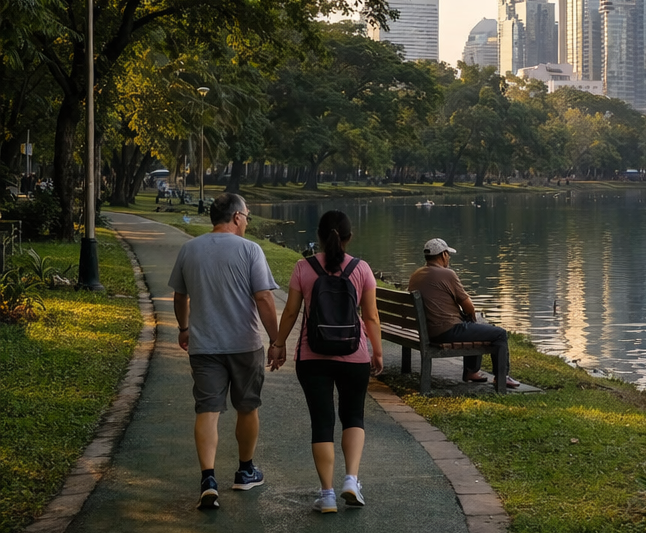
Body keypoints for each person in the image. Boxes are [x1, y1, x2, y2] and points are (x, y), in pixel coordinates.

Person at [168, 192, 280, 509]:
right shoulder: (250, 250)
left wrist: (184, 328)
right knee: (248, 407)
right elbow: (264, 299)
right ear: (236, 217)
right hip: (245, 345)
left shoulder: (189, 249)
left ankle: (208, 478)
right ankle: (245, 471)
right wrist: (276, 340)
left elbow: (180, 297)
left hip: (204, 346)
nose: (247, 220)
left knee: (207, 410)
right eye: (246, 215)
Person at [271, 210, 384, 513]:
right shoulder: (362, 269)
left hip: (312, 356)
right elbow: (371, 316)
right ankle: (351, 479)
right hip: (355, 355)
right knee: (353, 416)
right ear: (349, 237)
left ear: (320, 236)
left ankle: (327, 494)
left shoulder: (302, 267)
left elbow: (292, 313)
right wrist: (377, 350)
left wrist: (279, 344)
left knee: (322, 422)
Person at [407, 238, 517, 388]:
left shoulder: (416, 274)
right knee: (499, 334)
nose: (449, 258)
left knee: (473, 324)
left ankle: (472, 372)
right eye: (448, 255)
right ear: (443, 255)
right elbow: (468, 305)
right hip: (446, 331)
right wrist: (471, 317)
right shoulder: (447, 274)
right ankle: (502, 377)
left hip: (427, 330)